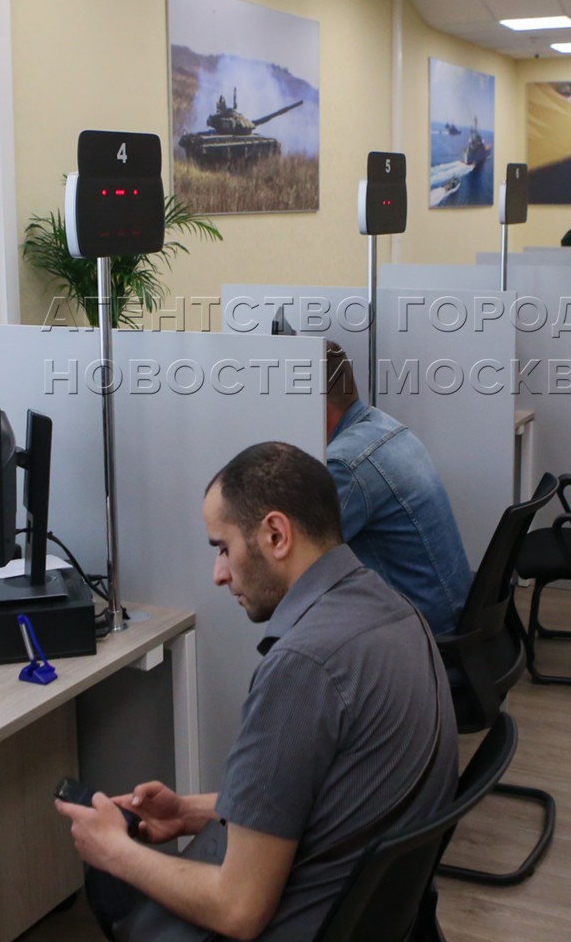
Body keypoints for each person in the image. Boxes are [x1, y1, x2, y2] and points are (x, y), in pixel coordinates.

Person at [57, 442, 458, 942]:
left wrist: (114, 852)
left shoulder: (303, 667)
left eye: (223, 548)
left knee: (117, 891)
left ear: (275, 535)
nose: (219, 574)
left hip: (301, 923)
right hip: (378, 920)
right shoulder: (397, 613)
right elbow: (331, 797)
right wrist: (188, 812)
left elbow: (238, 909)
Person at [321, 341, 471, 636]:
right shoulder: (383, 426)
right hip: (447, 610)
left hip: (424, 631)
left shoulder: (346, 464)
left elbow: (301, 557)